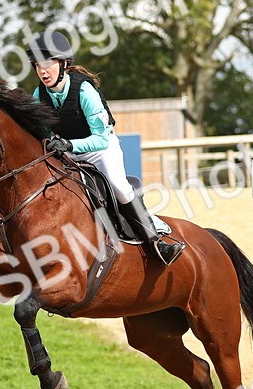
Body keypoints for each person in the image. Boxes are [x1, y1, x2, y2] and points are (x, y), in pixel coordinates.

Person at [27, 30, 184, 266]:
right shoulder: (39, 94)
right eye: (38, 65)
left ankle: (155, 241)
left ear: (63, 63)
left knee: (119, 187)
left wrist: (68, 144)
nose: (42, 70)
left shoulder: (84, 90)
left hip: (100, 149)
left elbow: (100, 139)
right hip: (68, 152)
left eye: (48, 63)